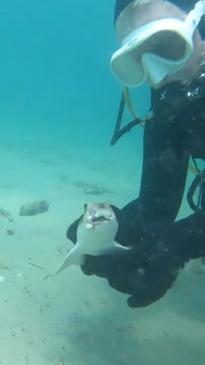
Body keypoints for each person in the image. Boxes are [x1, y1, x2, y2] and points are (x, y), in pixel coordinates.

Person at [67, 0, 205, 308]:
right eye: (139, 56)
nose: (157, 75)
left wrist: (184, 242)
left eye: (169, 45)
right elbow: (157, 206)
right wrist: (119, 228)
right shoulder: (170, 107)